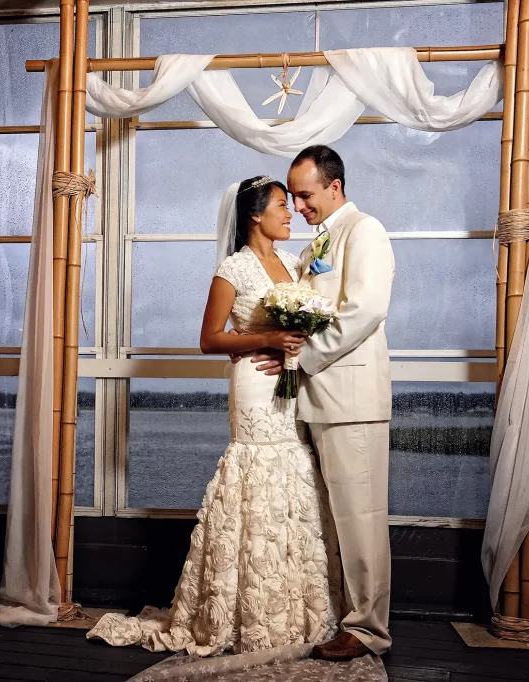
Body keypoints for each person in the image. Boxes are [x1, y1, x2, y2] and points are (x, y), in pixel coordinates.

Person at [86, 176, 340, 656]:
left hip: (289, 386)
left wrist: (297, 343)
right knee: (256, 475)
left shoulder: (291, 263)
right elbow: (210, 339)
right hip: (254, 385)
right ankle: (243, 611)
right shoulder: (234, 269)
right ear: (254, 216)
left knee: (292, 477)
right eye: (282, 206)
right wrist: (265, 339)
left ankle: (294, 606)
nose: (290, 214)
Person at [241, 145, 395, 661]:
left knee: (362, 518)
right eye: (294, 198)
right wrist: (278, 352)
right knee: (334, 520)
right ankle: (344, 616)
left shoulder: (364, 230)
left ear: (335, 186)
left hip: (352, 401)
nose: (299, 206)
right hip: (316, 404)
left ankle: (369, 628)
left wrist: (302, 357)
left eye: (305, 195)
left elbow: (367, 308)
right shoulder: (319, 244)